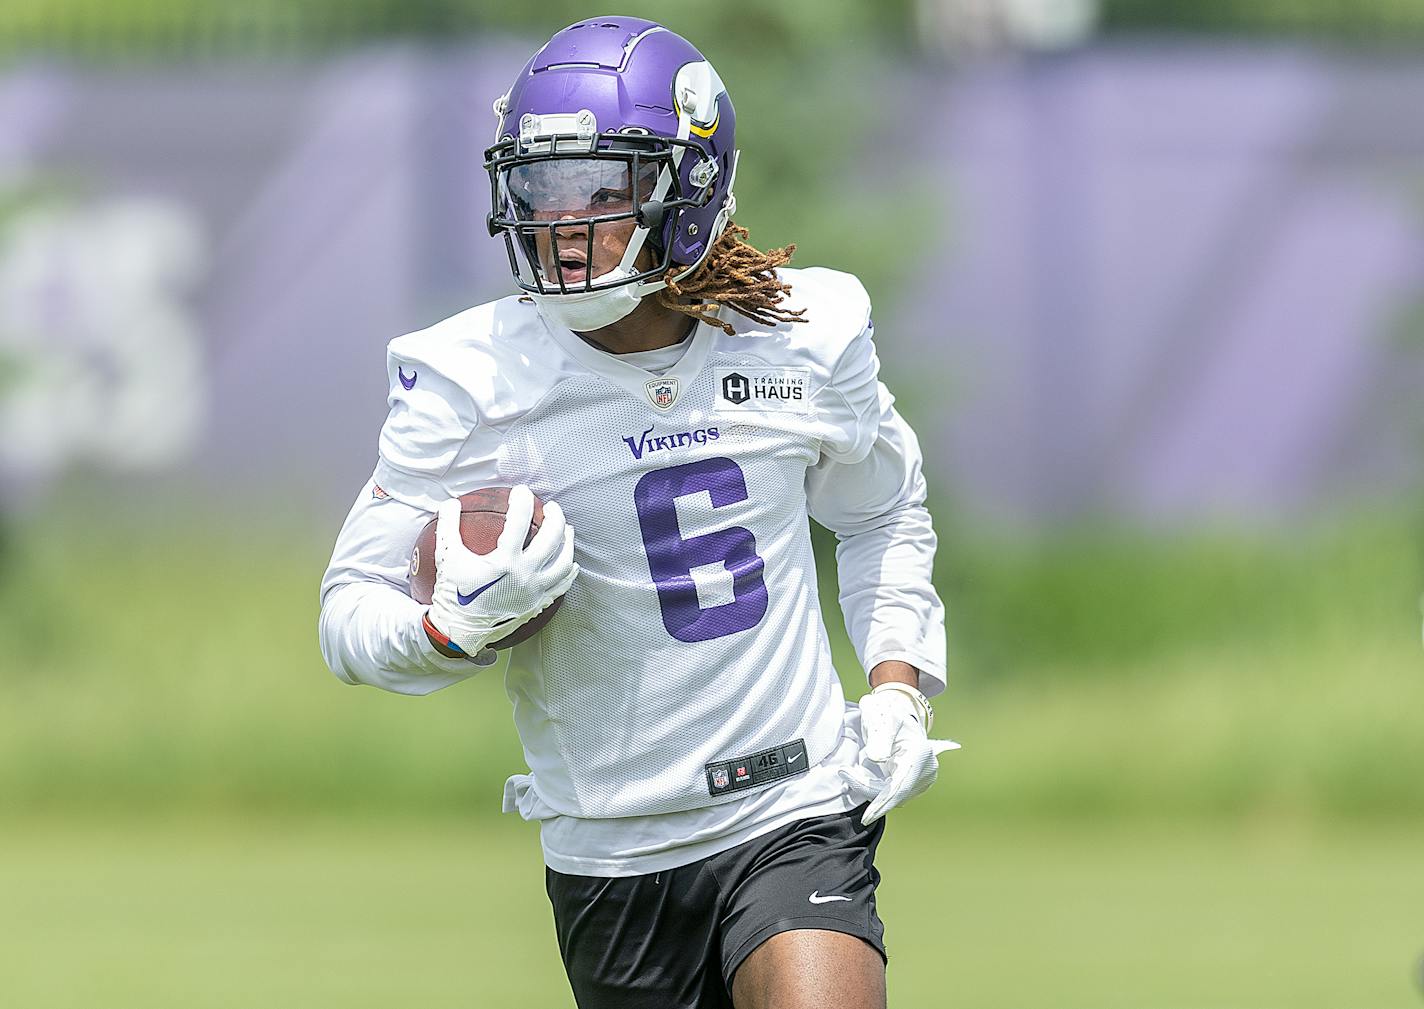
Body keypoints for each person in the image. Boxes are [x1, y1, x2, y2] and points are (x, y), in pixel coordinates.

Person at [318, 16, 956, 1009]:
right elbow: (347, 614)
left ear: (688, 184)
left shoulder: (802, 333)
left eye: (597, 190)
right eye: (538, 188)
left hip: (793, 805)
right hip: (611, 850)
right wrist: (451, 628)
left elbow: (879, 513)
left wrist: (894, 688)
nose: (560, 226)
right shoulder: (468, 380)